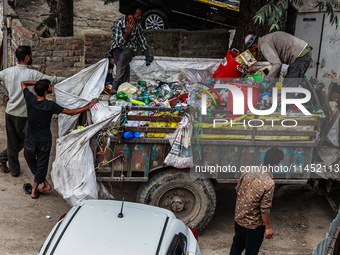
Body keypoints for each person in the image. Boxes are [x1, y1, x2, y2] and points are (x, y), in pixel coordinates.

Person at [21, 79, 98, 199]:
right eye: (49, 86)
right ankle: (43, 185)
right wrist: (89, 105)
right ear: (46, 91)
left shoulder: (30, 99)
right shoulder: (50, 105)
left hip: (30, 138)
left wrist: (37, 84)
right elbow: (72, 112)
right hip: (44, 140)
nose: (52, 86)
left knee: (30, 160)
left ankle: (35, 189)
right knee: (41, 164)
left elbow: (23, 83)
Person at [0, 45, 64, 177]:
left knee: (13, 142)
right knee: (25, 141)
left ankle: (13, 170)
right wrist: (75, 79)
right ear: (27, 57)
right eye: (31, 55)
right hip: (24, 115)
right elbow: (53, 80)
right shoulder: (33, 74)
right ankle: (2, 157)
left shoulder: (7, 72)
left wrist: (4, 93)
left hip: (10, 112)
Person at [230, 148, 284, 255]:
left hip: (239, 219)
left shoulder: (247, 170)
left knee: (237, 245)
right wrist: (268, 227)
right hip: (253, 226)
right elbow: (265, 209)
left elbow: (238, 189)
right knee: (251, 251)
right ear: (275, 165)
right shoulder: (269, 183)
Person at [109, 6, 154, 94]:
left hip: (129, 48)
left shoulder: (137, 25)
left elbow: (141, 38)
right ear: (130, 16)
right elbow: (119, 43)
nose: (140, 18)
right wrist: (128, 32)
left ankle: (116, 83)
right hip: (117, 47)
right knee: (122, 61)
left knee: (123, 57)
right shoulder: (119, 23)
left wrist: (146, 51)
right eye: (138, 16)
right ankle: (125, 85)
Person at [245, 31, 312, 87]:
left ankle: (289, 102)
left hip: (300, 55)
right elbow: (278, 65)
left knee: (289, 87)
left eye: (253, 50)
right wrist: (274, 82)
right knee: (290, 83)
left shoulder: (263, 45)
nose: (254, 51)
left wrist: (267, 79)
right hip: (303, 52)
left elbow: (277, 64)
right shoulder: (266, 39)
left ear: (254, 45)